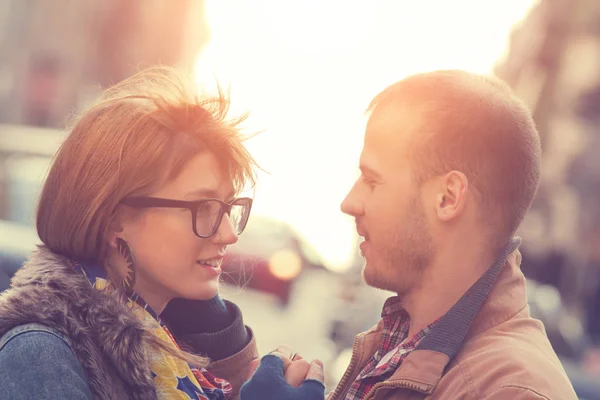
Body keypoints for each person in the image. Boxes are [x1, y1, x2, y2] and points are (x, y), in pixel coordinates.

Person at [0, 66, 324, 400]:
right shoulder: (39, 351)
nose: (229, 234)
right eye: (204, 207)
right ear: (113, 219)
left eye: (229, 208)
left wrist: (227, 351)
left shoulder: (169, 349)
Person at [324, 70, 578, 399]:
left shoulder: (510, 392)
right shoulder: (400, 345)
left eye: (372, 181)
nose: (349, 203)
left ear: (448, 198)